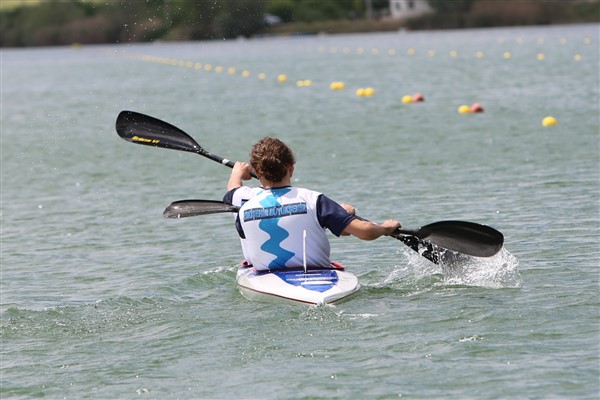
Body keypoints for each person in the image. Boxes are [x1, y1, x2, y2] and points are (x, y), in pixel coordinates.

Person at [223, 137, 401, 271]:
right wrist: (385, 228)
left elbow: (232, 189)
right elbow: (365, 231)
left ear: (256, 171)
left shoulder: (242, 202)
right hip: (316, 277)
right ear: (291, 168)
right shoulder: (313, 200)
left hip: (264, 280)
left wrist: (238, 172)